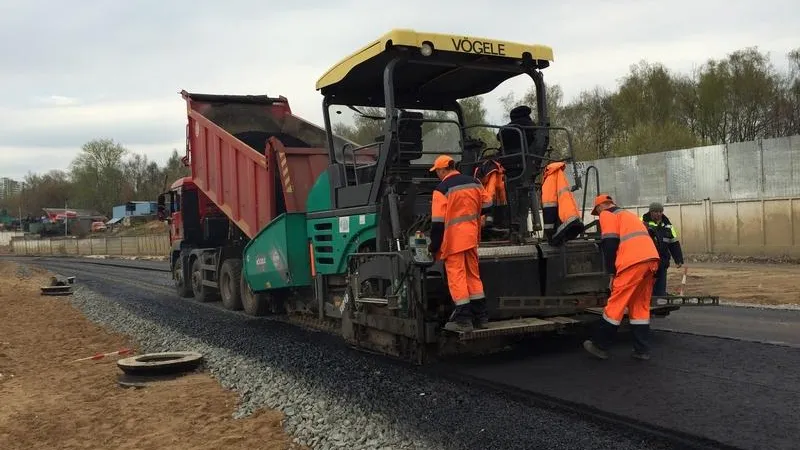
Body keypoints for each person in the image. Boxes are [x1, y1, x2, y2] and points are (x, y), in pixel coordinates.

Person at [583, 194, 660, 360]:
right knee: (640, 306)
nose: (598, 217)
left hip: (632, 262)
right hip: (651, 261)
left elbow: (610, 243)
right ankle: (642, 350)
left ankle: (599, 345)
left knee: (616, 304)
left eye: (597, 213)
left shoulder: (607, 214)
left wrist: (611, 272)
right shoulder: (627, 215)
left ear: (600, 207)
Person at [428, 155, 493, 332]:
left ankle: (463, 320)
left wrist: (433, 247)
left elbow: (438, 224)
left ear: (442, 170)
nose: (437, 175)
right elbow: (488, 204)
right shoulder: (474, 182)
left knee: (457, 277)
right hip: (471, 238)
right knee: (473, 275)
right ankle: (482, 317)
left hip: (453, 242)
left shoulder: (441, 190)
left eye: (437, 172)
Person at [642, 202, 684, 296]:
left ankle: (660, 297)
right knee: (647, 285)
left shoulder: (667, 225)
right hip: (648, 260)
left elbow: (674, 243)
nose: (658, 214)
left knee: (661, 285)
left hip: (662, 260)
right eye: (656, 212)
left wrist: (678, 259)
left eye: (660, 212)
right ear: (651, 212)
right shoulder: (643, 223)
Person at [540, 161, 584, 245]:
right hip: (568, 215)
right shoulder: (559, 175)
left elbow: (549, 203)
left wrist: (549, 233)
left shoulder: (550, 177)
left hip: (555, 213)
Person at [473, 148, 508, 229]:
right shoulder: (494, 169)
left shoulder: (479, 169)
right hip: (492, 204)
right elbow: (493, 190)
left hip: (483, 206)